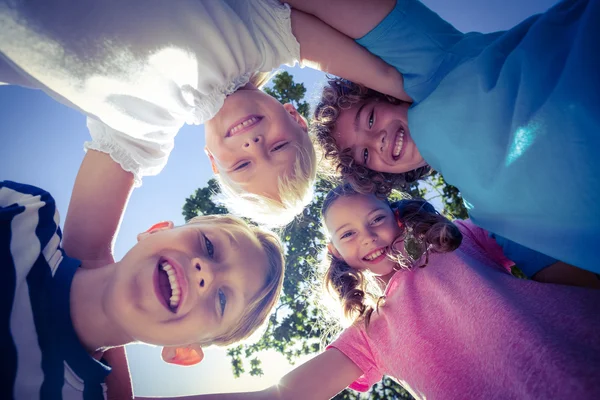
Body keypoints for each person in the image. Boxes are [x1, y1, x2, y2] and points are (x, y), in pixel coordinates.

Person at [145, 184, 600, 400]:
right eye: (347, 234)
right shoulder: (370, 334)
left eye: (376, 219)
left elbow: (557, 268)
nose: (368, 237)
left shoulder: (458, 239)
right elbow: (283, 396)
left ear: (397, 216)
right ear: (337, 253)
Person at [0, 0, 408, 227]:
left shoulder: (144, 134)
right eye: (279, 146)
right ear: (295, 116)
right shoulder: (262, 36)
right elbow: (389, 75)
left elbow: (88, 252)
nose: (253, 144)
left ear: (213, 163)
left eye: (244, 164)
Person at [290, 0, 600, 274]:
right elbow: (574, 303)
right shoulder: (491, 218)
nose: (378, 142)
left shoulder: (432, 65)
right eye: (366, 156)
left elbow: (287, 27)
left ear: (383, 94)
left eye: (370, 118)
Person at [0, 156, 285, 399]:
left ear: (183, 351)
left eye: (222, 299)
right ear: (157, 229)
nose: (207, 273)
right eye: (209, 246)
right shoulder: (28, 216)